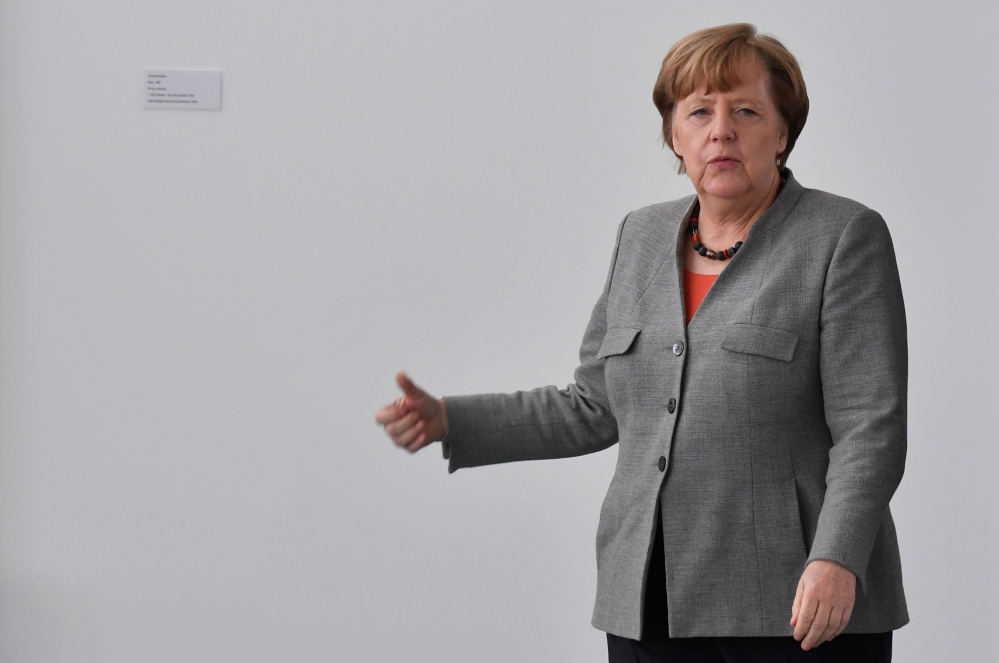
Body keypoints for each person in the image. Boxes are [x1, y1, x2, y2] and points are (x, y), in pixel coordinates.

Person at [375, 23, 907, 663]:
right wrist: (450, 420)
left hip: (799, 603)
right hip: (647, 599)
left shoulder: (843, 236)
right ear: (674, 137)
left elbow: (870, 426)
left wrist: (837, 556)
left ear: (783, 132)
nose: (721, 130)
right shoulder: (641, 237)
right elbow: (593, 404)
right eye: (699, 112)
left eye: (746, 110)